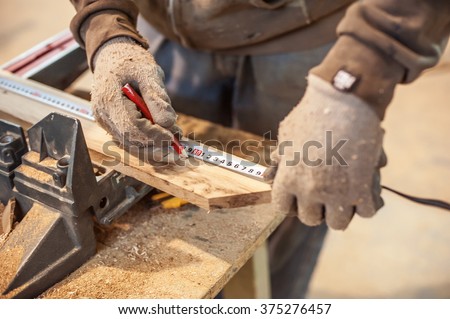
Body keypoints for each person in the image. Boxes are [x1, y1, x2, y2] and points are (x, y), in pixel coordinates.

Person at [69, 0, 450, 298]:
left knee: (297, 198)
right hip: (158, 33)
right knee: (166, 219)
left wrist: (352, 83)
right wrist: (106, 29)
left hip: (308, 36)